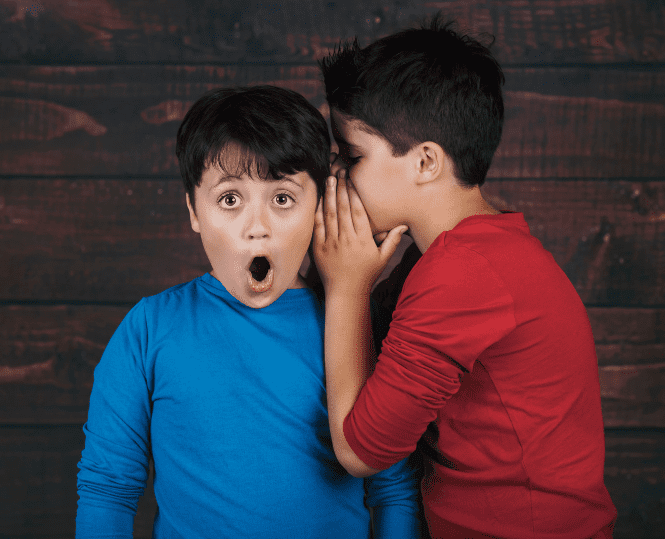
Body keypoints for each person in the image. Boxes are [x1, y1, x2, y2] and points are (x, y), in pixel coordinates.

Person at [312, 16, 618, 539]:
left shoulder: (462, 273)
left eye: (352, 155)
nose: (336, 175)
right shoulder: (469, 253)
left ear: (426, 161)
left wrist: (348, 286)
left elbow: (360, 450)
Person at [76, 85, 422, 539]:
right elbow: (109, 488)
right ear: (194, 210)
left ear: (319, 204)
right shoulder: (147, 331)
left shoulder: (356, 328)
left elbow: (395, 490)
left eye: (282, 199)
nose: (256, 228)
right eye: (230, 199)